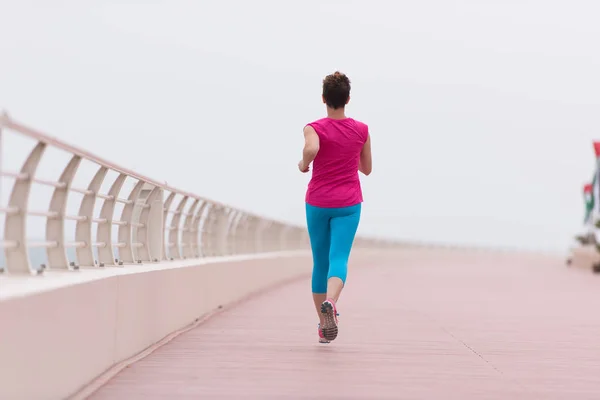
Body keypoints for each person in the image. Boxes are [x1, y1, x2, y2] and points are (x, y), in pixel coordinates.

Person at [298, 71, 372, 343]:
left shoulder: (313, 128)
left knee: (320, 262)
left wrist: (304, 164)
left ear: (323, 99)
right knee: (339, 258)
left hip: (318, 201)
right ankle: (332, 300)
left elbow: (311, 149)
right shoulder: (361, 130)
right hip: (349, 204)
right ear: (348, 99)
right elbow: (367, 169)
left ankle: (323, 325)